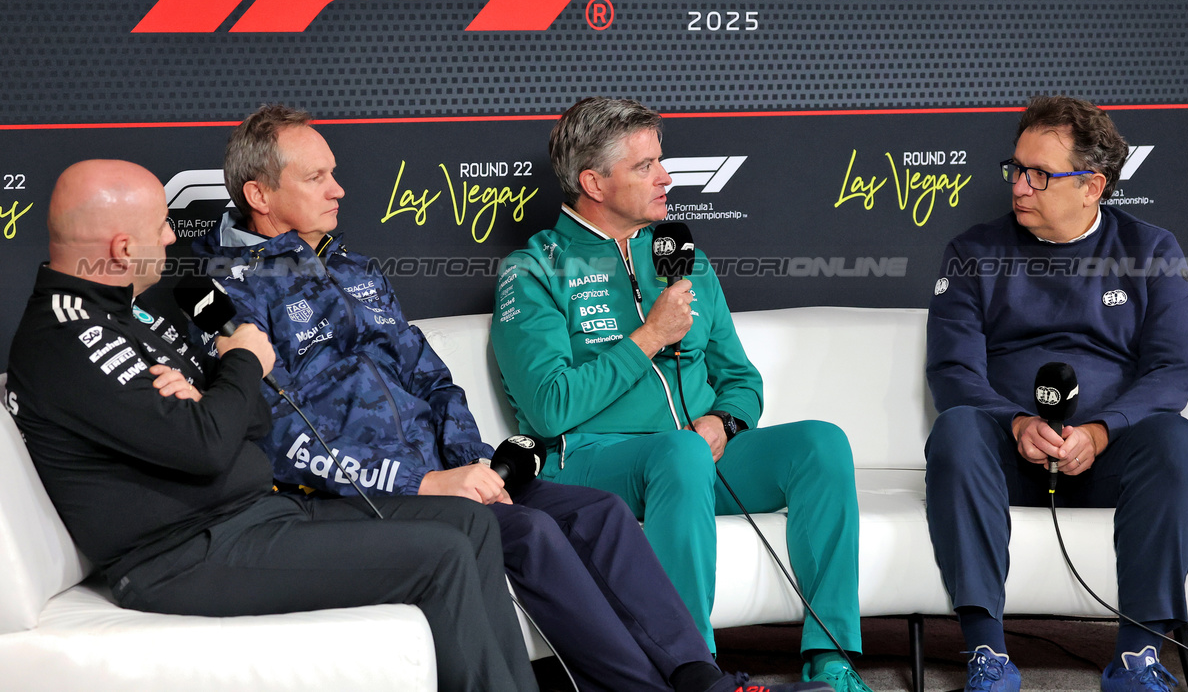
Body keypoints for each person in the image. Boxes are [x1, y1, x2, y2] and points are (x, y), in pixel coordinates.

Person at [193, 104, 825, 692]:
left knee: (598, 514)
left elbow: (431, 380)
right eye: (318, 178)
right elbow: (281, 436)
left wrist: (479, 467)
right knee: (530, 532)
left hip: (450, 475)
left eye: (335, 174)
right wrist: (424, 485)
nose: (339, 190)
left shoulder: (356, 270)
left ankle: (700, 678)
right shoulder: (228, 294)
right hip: (364, 496)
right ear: (259, 194)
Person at [6, 160, 538, 692]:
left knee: (468, 524)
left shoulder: (132, 317)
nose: (171, 238)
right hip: (183, 555)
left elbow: (252, 416)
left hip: (261, 514)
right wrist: (238, 369)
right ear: (123, 249)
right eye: (162, 226)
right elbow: (210, 444)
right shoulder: (66, 337)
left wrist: (217, 396)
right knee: (441, 555)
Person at [489, 97, 872, 692]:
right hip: (592, 463)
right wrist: (648, 338)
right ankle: (690, 670)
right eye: (645, 166)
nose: (667, 177)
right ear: (593, 181)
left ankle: (833, 662)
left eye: (660, 161)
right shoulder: (535, 268)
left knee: (820, 445)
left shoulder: (683, 258)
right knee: (680, 453)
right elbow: (547, 407)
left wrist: (726, 421)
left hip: (696, 455)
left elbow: (741, 379)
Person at [924, 96, 1188, 692]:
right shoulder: (972, 254)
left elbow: (1174, 370)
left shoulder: (1153, 253)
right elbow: (953, 372)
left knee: (1176, 442)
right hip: (1009, 454)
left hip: (1109, 455)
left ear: (1092, 186)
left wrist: (1103, 431)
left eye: (1040, 175)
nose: (1020, 187)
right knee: (956, 430)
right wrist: (1019, 422)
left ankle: (1137, 660)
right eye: (1016, 170)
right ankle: (986, 655)